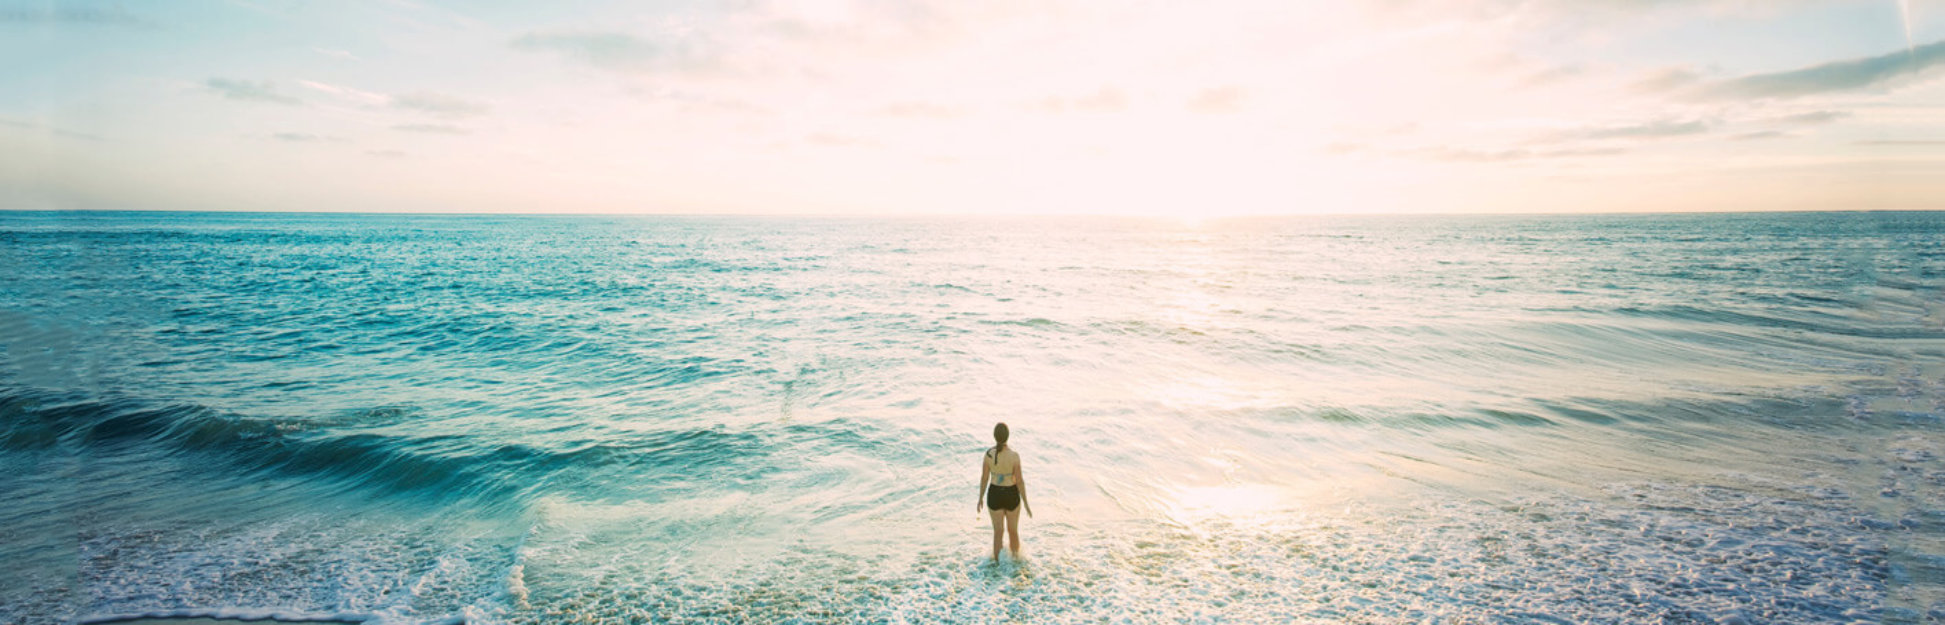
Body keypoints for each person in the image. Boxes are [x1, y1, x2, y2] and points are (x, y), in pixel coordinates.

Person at [977, 422, 1031, 563]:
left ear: (995, 436)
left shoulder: (988, 454)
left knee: (998, 533)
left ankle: (996, 567)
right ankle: (1015, 564)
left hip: (994, 494)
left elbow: (984, 478)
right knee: (1013, 531)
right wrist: (1026, 503)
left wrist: (980, 498)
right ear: (1008, 436)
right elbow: (1019, 481)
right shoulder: (1014, 456)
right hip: (1011, 494)